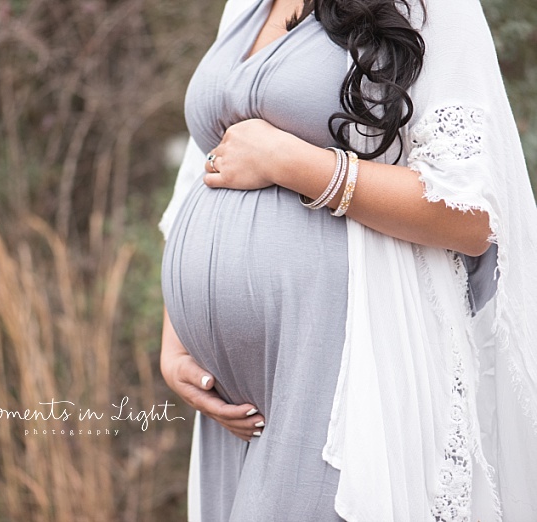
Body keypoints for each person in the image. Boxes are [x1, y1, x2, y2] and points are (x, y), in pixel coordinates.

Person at [157, 0, 537, 520]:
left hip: (346, 367)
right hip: (234, 411)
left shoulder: (429, 7)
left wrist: (292, 163)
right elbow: (209, 165)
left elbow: (471, 215)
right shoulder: (246, 5)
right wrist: (175, 341)